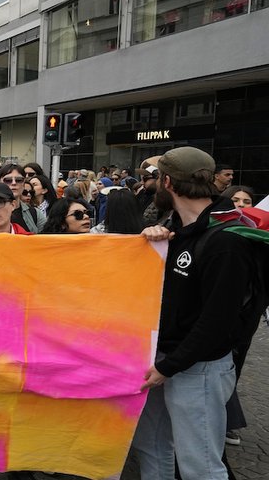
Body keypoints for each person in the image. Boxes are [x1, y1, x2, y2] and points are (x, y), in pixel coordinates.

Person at [132, 147, 261, 480]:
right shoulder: (170, 227)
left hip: (198, 369)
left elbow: (218, 322)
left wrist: (168, 367)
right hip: (160, 360)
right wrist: (151, 243)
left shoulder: (227, 241)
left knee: (199, 466)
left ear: (168, 182)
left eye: (156, 177)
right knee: (152, 449)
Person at [0, 165, 46, 233]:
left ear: (24, 183)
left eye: (19, 180)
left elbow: (44, 240)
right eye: (8, 180)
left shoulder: (35, 214)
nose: (14, 183)